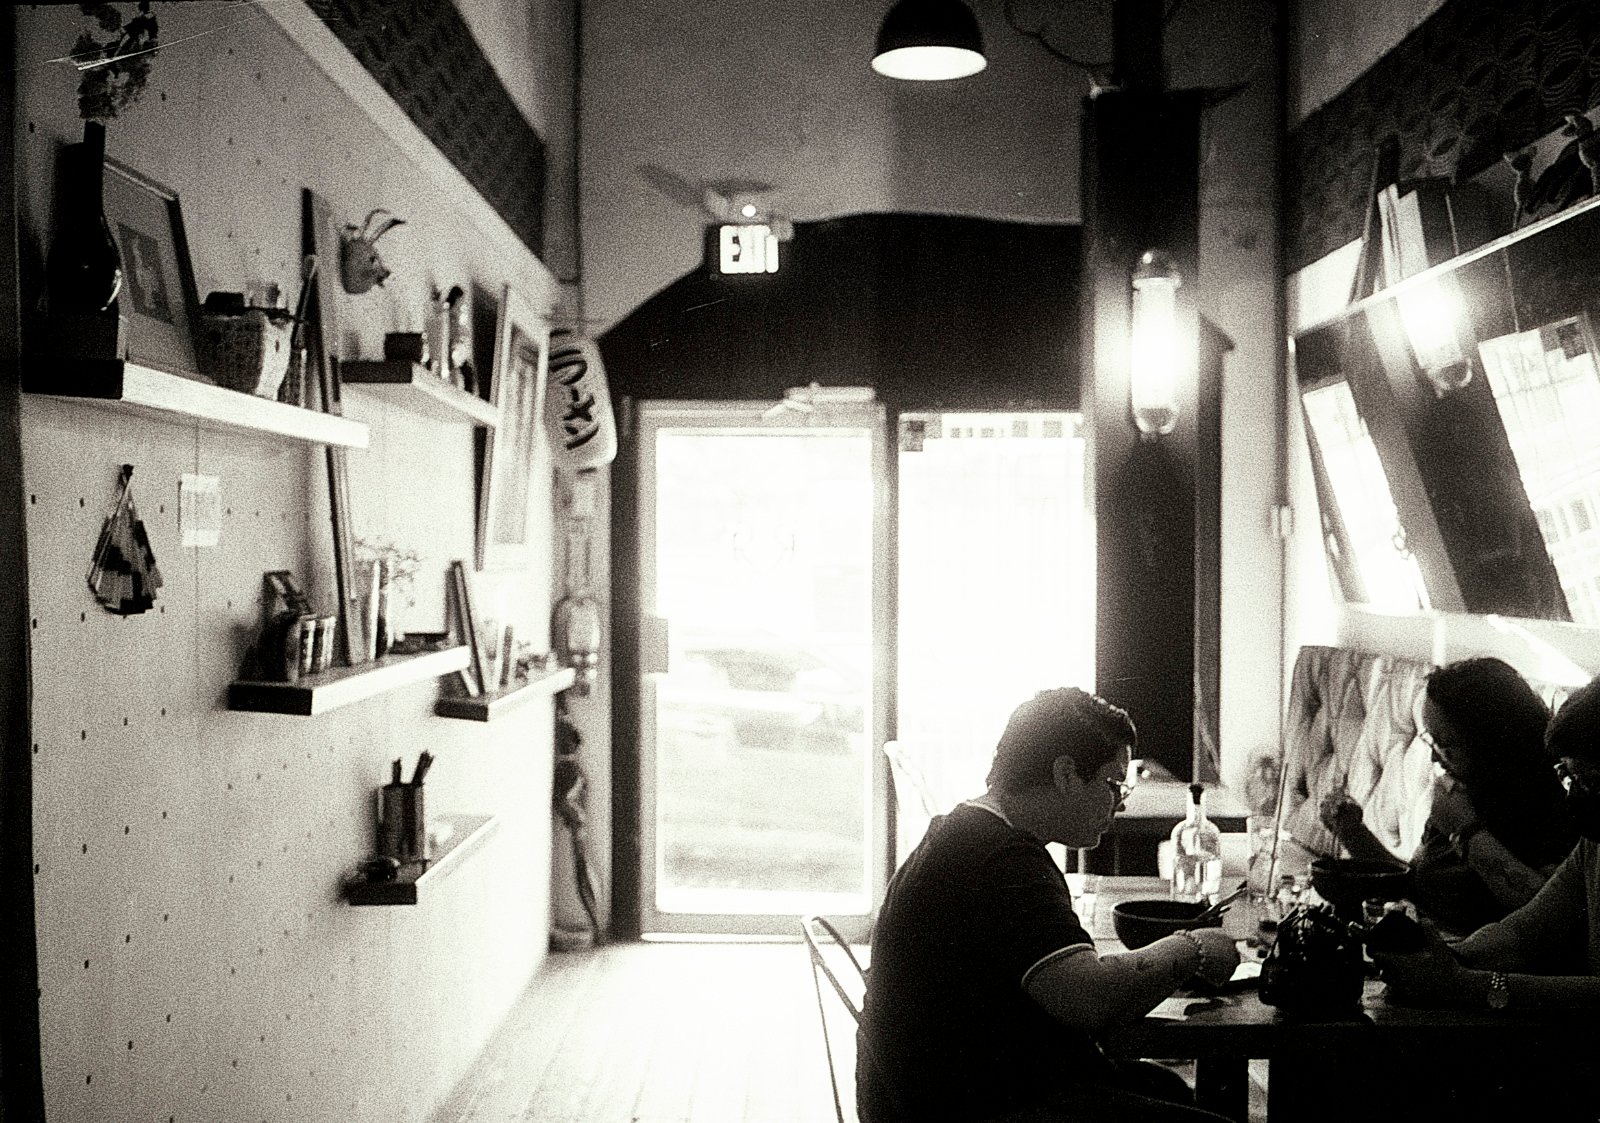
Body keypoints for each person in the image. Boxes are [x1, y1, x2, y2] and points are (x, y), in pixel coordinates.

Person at [856, 687, 1239, 1123]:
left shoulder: (964, 830)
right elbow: (1089, 999)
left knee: (1164, 1087)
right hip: (969, 1107)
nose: (1119, 804)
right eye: (1114, 785)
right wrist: (1193, 947)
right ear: (1066, 774)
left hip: (923, 1093)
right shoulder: (1004, 858)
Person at [1368, 674, 1600, 1121]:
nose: (1576, 793)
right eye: (1569, 776)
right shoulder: (1596, 842)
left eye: (1591, 779)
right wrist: (1447, 958)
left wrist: (1465, 985)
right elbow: (1526, 928)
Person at [1318, 657, 1574, 935]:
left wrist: (1466, 831)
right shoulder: (1460, 791)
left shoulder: (1551, 802)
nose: (1433, 757)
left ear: (1492, 741)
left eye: (1446, 745)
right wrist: (1352, 832)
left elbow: (1551, 918)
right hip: (1437, 956)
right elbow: (1417, 886)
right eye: (1432, 740)